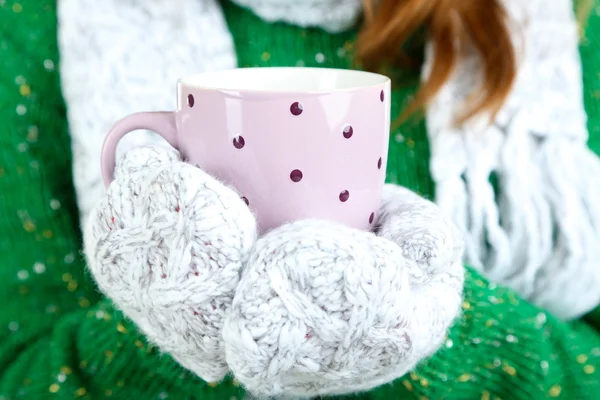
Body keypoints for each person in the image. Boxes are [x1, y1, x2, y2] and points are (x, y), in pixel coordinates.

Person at [1, 0, 599, 399]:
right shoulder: (36, 28)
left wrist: (421, 321)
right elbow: (21, 377)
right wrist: (176, 320)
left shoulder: (549, 35)